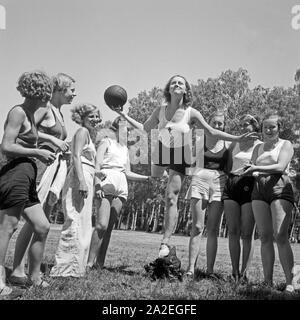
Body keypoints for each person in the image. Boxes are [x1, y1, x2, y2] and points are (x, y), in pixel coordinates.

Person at [114, 75, 258, 257]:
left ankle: (165, 242)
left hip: (181, 152)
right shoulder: (160, 109)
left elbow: (212, 131)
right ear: (169, 89)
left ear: (185, 90)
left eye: (180, 83)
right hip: (162, 148)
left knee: (171, 197)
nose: (176, 84)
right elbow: (145, 128)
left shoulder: (192, 112)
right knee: (156, 178)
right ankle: (164, 176)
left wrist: (237, 138)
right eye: (173, 82)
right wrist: (123, 115)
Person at [10, 73, 76, 284]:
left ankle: (31, 272)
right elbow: (27, 131)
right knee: (33, 222)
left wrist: (60, 148)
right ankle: (18, 270)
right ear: (59, 90)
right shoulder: (45, 108)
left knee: (42, 222)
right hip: (38, 168)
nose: (74, 93)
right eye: (71, 89)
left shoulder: (59, 113)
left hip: (54, 167)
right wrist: (52, 140)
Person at [0, 71, 56, 296]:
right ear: (39, 92)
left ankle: (34, 276)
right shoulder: (18, 112)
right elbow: (6, 145)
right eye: (48, 91)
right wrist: (37, 152)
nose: (49, 96)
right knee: (7, 227)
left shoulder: (32, 115)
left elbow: (47, 127)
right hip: (15, 173)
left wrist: (50, 140)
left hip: (27, 174)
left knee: (42, 226)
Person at [86, 117, 150, 270]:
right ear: (116, 127)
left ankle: (99, 264)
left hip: (121, 186)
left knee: (108, 228)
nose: (128, 131)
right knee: (101, 225)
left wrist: (147, 178)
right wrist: (97, 186)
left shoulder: (125, 149)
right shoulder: (106, 142)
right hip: (106, 182)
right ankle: (88, 263)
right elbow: (97, 165)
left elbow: (127, 172)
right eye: (126, 128)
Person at [242, 112, 296, 293]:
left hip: (279, 187)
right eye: (266, 127)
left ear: (279, 128)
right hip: (259, 189)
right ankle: (267, 281)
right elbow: (251, 166)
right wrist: (249, 169)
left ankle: (290, 282)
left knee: (280, 236)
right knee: (264, 237)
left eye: (273, 126)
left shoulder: (285, 144)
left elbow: (280, 167)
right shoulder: (258, 147)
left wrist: (256, 168)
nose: (269, 130)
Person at [50, 103, 102, 277]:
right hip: (79, 178)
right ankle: (65, 269)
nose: (96, 120)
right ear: (83, 118)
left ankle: (76, 268)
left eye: (97, 116)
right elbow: (76, 156)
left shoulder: (89, 135)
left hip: (87, 175)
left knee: (83, 221)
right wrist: (81, 181)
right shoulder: (82, 132)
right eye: (92, 116)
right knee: (75, 220)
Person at [186, 111, 231, 279]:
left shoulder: (228, 142)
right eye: (214, 122)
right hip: (200, 180)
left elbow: (229, 167)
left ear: (224, 126)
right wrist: (195, 174)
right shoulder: (200, 138)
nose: (217, 126)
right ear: (208, 123)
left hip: (219, 183)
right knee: (197, 227)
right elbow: (189, 163)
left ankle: (210, 270)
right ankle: (191, 268)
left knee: (213, 229)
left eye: (220, 123)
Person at [222, 114, 262, 282]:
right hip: (232, 184)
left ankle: (244, 273)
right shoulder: (234, 143)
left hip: (250, 184)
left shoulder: (261, 146)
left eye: (248, 124)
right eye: (242, 124)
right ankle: (234, 271)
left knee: (247, 234)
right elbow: (225, 163)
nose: (244, 126)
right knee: (232, 231)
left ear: (255, 127)